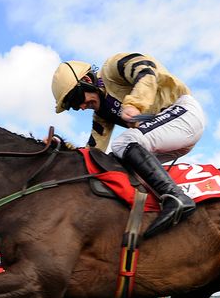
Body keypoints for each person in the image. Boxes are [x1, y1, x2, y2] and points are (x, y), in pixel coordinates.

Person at [51, 53, 206, 238]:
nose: (82, 107)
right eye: (75, 107)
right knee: (112, 162)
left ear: (86, 80)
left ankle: (176, 198)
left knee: (124, 142)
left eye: (76, 100)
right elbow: (92, 153)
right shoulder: (102, 115)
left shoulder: (112, 68)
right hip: (170, 134)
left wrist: (135, 105)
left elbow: (147, 69)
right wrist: (61, 148)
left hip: (184, 113)